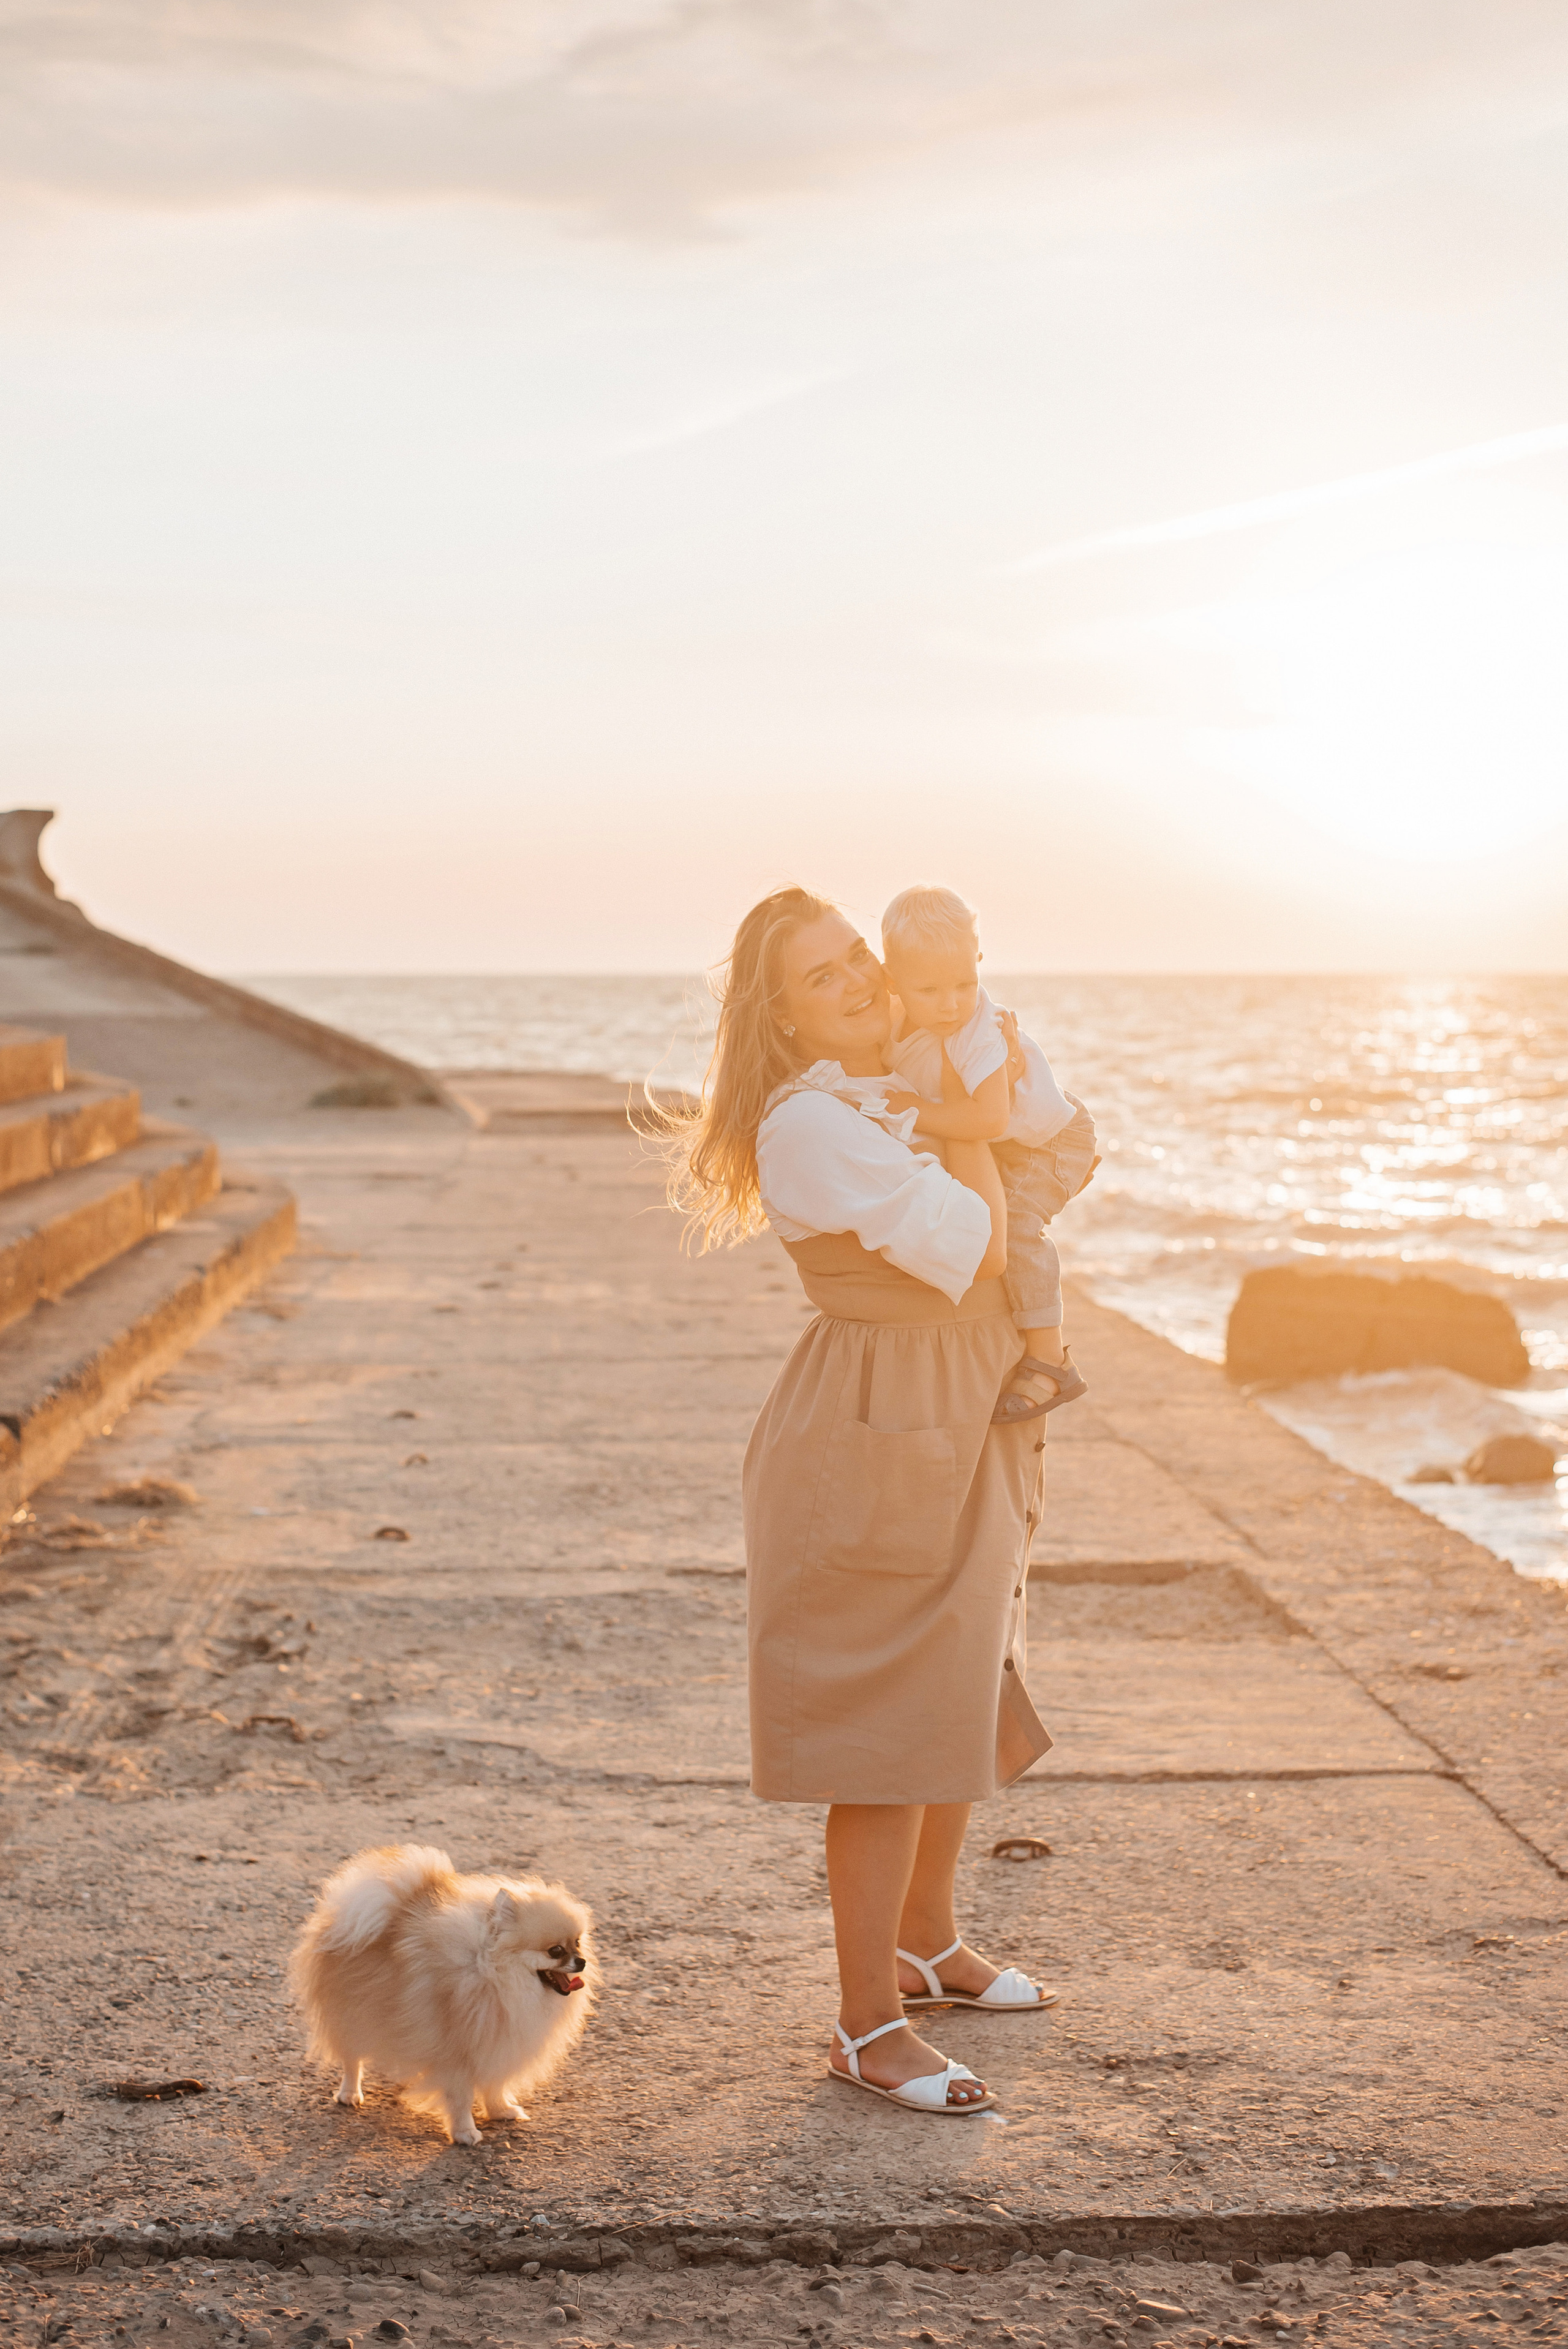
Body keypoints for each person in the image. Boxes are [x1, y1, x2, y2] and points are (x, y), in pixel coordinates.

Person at [668, 885, 1056, 2118]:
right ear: (779, 1022)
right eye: (821, 978)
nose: (858, 984)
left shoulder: (892, 1087)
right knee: (884, 1721)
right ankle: (865, 2026)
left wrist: (963, 1108)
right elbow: (981, 1240)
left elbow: (1059, 1133)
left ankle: (927, 1940)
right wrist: (974, 1126)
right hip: (879, 1417)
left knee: (963, 1678)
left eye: (855, 961)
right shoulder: (812, 1125)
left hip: (962, 1395)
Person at [879, 884, 1099, 1426]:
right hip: (1013, 1145)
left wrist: (911, 1109)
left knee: (1016, 1225)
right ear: (893, 980)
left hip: (1052, 1139)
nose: (951, 1002)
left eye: (964, 982)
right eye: (929, 989)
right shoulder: (893, 1017)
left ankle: (1051, 1356)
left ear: (979, 962)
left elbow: (988, 1120)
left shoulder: (979, 1029)